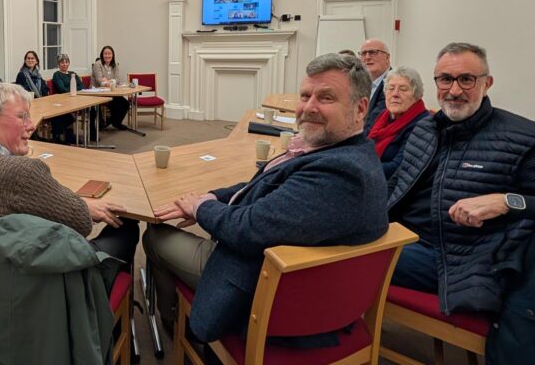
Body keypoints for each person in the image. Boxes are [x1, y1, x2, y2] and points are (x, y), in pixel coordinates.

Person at [144, 53, 389, 343]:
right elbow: (263, 184)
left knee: (155, 235)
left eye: (325, 98)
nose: (309, 107)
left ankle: (178, 326)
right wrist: (212, 196)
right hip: (282, 267)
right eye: (305, 95)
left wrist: (200, 207)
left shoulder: (338, 175)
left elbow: (245, 229)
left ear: (360, 109)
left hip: (259, 285)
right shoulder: (346, 153)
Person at [387, 42, 535, 315]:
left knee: (343, 261)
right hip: (403, 238)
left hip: (459, 263)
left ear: (487, 84)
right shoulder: (425, 129)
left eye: (466, 80)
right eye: (446, 79)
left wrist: (509, 201)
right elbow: (397, 187)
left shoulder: (525, 141)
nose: (454, 90)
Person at [0, 82, 139, 264]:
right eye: (22, 116)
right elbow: (80, 223)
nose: (31, 125)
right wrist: (83, 206)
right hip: (49, 282)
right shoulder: (23, 171)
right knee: (128, 226)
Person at [366, 66, 428, 179]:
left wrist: (358, 169)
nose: (395, 94)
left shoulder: (423, 124)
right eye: (390, 88)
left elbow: (397, 167)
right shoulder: (382, 116)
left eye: (403, 89)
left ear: (416, 95)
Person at [91, 45, 129, 130]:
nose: (107, 56)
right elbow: (99, 81)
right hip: (97, 92)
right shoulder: (98, 64)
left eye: (109, 54)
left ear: (112, 55)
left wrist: (107, 81)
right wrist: (111, 81)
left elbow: (118, 79)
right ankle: (110, 122)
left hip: (111, 92)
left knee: (125, 103)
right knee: (116, 103)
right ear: (102, 55)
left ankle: (115, 123)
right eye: (105, 54)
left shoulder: (114, 64)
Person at [50, 52, 85, 143]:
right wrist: (74, 89)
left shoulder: (72, 74)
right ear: (58, 64)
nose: (65, 64)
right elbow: (62, 89)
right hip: (62, 101)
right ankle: (65, 136)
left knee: (90, 109)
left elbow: (81, 86)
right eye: (62, 62)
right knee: (65, 115)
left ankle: (70, 135)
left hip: (75, 99)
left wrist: (74, 90)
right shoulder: (57, 75)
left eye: (66, 62)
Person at [359, 38, 391, 131]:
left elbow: (374, 123)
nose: (367, 57)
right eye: (363, 53)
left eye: (373, 52)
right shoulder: (358, 83)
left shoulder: (394, 84)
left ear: (387, 57)